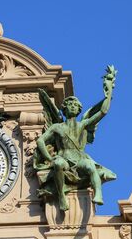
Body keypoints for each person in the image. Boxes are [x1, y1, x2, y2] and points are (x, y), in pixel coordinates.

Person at [34, 66, 117, 211]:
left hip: (79, 160)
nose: (73, 106)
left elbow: (103, 111)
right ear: (64, 108)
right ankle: (61, 196)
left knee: (90, 166)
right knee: (58, 164)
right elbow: (40, 140)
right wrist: (49, 158)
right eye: (70, 104)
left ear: (79, 110)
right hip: (64, 159)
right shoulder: (57, 127)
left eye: (76, 105)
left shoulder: (82, 125)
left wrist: (108, 91)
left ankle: (98, 194)